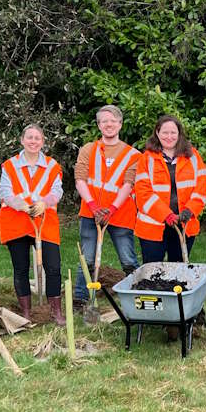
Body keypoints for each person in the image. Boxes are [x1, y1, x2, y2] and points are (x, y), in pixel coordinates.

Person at [73, 105, 141, 303]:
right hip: (90, 213)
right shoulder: (88, 149)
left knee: (128, 260)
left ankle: (136, 298)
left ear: (120, 124)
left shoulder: (133, 155)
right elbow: (80, 179)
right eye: (104, 121)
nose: (109, 125)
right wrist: (94, 207)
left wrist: (111, 209)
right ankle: (81, 300)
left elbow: (129, 185)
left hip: (120, 215)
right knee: (87, 260)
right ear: (99, 125)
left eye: (113, 121)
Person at [0, 124, 64, 324]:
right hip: (17, 221)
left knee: (53, 267)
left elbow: (57, 191)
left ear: (43, 142)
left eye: (37, 138)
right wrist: (21, 205)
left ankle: (55, 311)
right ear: (22, 140)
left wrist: (46, 203)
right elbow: (4, 191)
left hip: (45, 222)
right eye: (30, 137)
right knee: (21, 268)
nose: (33, 141)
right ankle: (26, 311)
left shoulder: (53, 166)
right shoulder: (9, 165)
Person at [133, 115, 206, 263]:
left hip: (184, 222)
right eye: (165, 132)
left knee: (179, 271)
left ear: (179, 134)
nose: (169, 136)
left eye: (173, 132)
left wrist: (190, 210)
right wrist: (166, 215)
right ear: (157, 133)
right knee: (152, 272)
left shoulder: (193, 156)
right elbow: (143, 193)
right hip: (153, 225)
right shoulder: (146, 158)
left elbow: (202, 187)